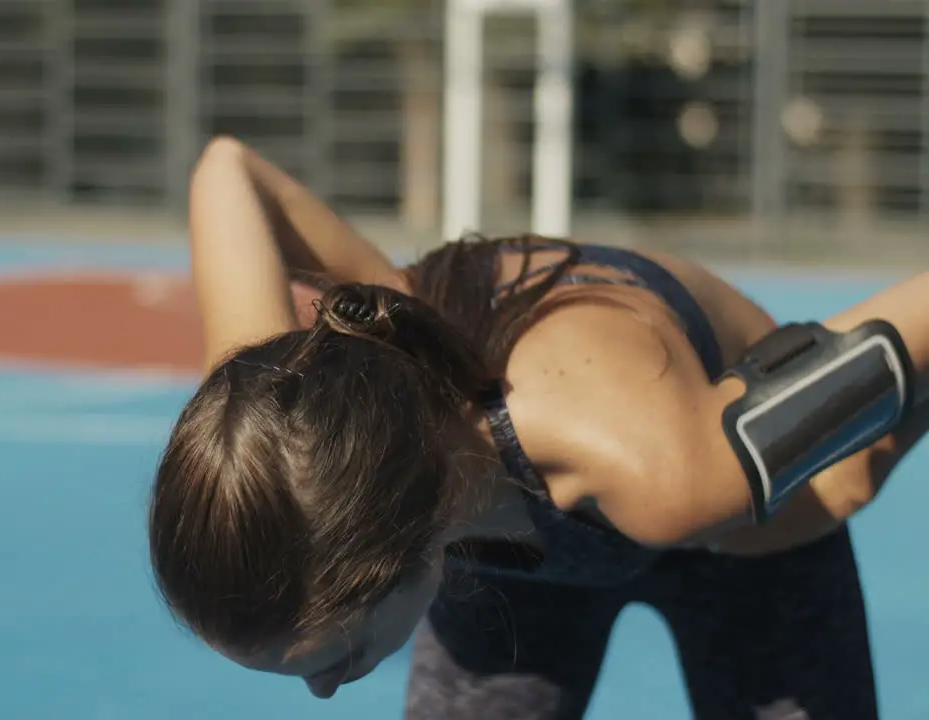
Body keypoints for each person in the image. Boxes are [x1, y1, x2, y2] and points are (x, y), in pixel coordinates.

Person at [146, 135, 929, 719]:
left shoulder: (665, 468)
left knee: (836, 480)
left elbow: (874, 388)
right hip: (509, 543)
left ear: (413, 546)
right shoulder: (276, 403)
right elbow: (225, 168)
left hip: (735, 520)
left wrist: (874, 444)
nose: (323, 692)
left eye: (340, 657)